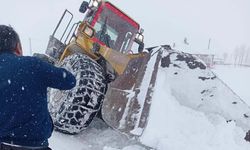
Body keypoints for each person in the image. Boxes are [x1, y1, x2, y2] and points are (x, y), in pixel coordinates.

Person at [0, 25, 76, 150]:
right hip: (33, 145)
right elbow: (70, 81)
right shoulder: (33, 65)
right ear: (18, 47)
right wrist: (46, 67)